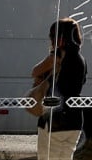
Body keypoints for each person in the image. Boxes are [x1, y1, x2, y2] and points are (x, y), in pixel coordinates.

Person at [30, 18, 87, 160]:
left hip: (54, 119)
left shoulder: (58, 56)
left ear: (59, 37)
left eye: (52, 36)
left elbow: (35, 71)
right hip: (74, 120)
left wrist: (53, 53)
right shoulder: (81, 59)